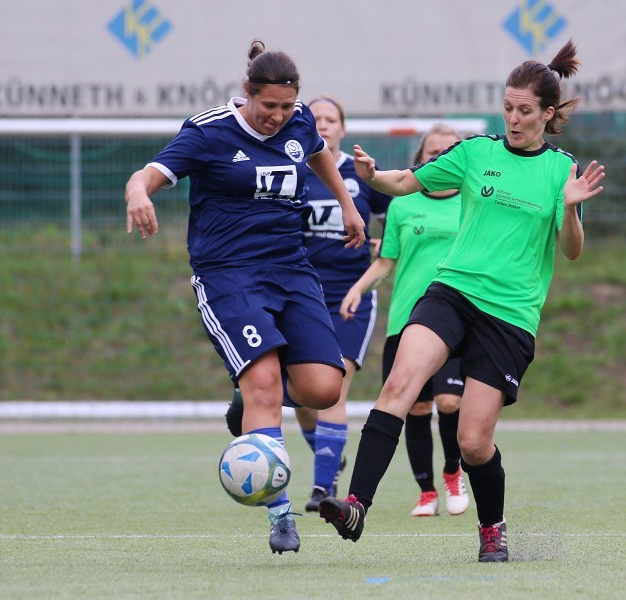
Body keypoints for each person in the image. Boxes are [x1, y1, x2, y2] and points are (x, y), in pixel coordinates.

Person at [318, 39, 605, 563]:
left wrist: (569, 209)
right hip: (452, 292)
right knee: (398, 385)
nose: (514, 119)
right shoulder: (476, 153)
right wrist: (371, 177)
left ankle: (491, 528)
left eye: (524, 110)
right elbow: (405, 182)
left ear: (547, 113)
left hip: (510, 315)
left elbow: (571, 251)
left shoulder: (561, 171)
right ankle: (356, 503)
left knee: (473, 442)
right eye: (508, 108)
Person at [124, 39, 366, 556]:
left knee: (325, 389)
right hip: (228, 275)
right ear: (246, 93)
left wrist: (347, 204)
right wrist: (138, 192)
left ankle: (254, 404)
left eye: (286, 106)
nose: (279, 116)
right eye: (268, 106)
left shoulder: (300, 120)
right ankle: (280, 516)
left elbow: (320, 156)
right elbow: (149, 173)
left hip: (292, 271)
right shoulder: (207, 132)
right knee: (263, 383)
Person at [339, 123, 470, 518]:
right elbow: (386, 260)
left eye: (450, 150)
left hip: (457, 317)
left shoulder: (474, 201)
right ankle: (426, 492)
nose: (441, 157)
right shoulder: (402, 205)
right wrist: (359, 288)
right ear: (420, 160)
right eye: (433, 152)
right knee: (414, 408)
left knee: (450, 401)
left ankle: (452, 472)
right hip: (407, 320)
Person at [292, 96, 391, 511]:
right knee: (302, 396)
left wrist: (389, 241)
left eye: (332, 120)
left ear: (344, 129)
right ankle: (330, 455)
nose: (325, 125)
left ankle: (321, 488)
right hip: (301, 295)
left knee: (334, 388)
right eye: (316, 119)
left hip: (351, 295)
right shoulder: (292, 172)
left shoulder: (361, 176)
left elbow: (400, 212)